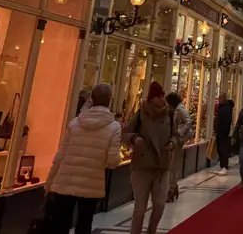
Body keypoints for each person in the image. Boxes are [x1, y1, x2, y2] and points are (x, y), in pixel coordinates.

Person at [45, 84, 121, 234]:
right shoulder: (114, 127)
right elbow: (113, 162)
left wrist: (49, 182)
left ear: (91, 100)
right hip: (91, 183)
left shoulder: (74, 123)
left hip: (65, 181)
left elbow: (60, 155)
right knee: (85, 222)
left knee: (62, 222)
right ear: (110, 101)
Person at [124, 81, 174, 234]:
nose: (161, 99)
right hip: (142, 166)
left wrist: (172, 143)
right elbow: (126, 133)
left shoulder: (169, 114)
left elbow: (176, 135)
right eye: (157, 96)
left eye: (162, 96)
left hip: (161, 167)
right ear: (151, 98)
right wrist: (134, 139)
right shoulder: (140, 114)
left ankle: (152, 230)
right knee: (140, 208)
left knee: (159, 205)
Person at [166, 91, 194, 201]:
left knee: (173, 164)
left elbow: (188, 122)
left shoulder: (180, 109)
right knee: (172, 163)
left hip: (178, 139)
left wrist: (179, 133)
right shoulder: (175, 109)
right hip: (175, 139)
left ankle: (171, 189)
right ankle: (173, 187)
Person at [213, 92, 234, 174]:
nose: (219, 100)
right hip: (220, 132)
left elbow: (226, 121)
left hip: (223, 132)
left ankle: (224, 166)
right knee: (220, 149)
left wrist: (223, 131)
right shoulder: (221, 107)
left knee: (223, 149)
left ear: (224, 99)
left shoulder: (227, 108)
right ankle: (222, 166)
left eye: (220, 98)